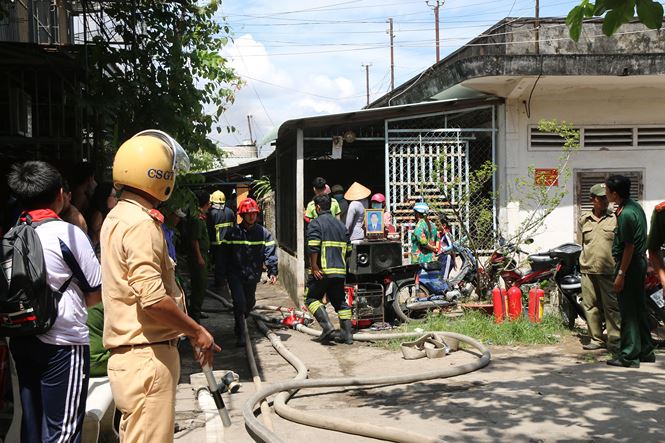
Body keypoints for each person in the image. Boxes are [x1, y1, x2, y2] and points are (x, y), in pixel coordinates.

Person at [101, 129, 219, 443]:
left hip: (134, 358)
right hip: (147, 359)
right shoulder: (141, 224)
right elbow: (152, 299)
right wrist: (197, 330)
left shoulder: (118, 217)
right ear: (158, 176)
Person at [7, 161, 102, 443]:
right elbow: (95, 293)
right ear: (60, 194)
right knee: (62, 432)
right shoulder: (69, 234)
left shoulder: (12, 234)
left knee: (32, 427)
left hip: (22, 338)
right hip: (63, 344)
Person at [605, 175, 654, 367]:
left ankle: (629, 355)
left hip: (630, 264)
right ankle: (645, 350)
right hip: (638, 263)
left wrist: (620, 274)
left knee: (628, 312)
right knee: (639, 309)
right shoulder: (634, 207)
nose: (606, 193)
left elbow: (628, 247)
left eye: (607, 190)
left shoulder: (626, 214)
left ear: (614, 193)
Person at [221, 198, 278, 347]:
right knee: (239, 303)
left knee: (249, 303)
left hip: (253, 274)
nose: (252, 216)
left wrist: (273, 270)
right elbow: (223, 255)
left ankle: (240, 320)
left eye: (254, 213)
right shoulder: (232, 233)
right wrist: (220, 274)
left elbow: (270, 253)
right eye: (248, 214)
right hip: (235, 274)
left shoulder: (263, 233)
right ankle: (241, 334)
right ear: (242, 215)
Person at [577, 183, 621, 352]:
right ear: (592, 200)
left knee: (612, 307)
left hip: (608, 270)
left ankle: (615, 341)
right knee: (589, 306)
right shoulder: (584, 220)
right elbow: (582, 243)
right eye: (601, 198)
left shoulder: (615, 218)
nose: (605, 201)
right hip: (587, 269)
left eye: (606, 198)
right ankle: (596, 339)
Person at [305, 194, 353, 344]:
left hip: (322, 271)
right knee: (340, 302)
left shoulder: (316, 223)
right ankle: (347, 335)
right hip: (339, 271)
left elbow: (313, 245)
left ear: (317, 207)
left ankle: (327, 327)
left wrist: (314, 266)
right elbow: (349, 249)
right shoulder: (341, 225)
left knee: (311, 298)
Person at [186, 190, 212, 323]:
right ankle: (194, 316)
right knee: (199, 286)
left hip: (202, 255)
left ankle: (196, 311)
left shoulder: (200, 217)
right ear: (206, 204)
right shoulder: (197, 219)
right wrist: (199, 257)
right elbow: (194, 240)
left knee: (202, 285)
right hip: (199, 256)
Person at [208, 189, 235, 290]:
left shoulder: (212, 214)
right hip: (230, 244)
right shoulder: (230, 212)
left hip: (217, 245)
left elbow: (209, 230)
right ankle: (228, 282)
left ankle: (219, 285)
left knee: (219, 265)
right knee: (229, 264)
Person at [87, 182, 118, 249]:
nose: (116, 199)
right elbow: (99, 236)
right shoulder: (98, 215)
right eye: (114, 196)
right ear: (106, 197)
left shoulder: (102, 212)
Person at [436, 215, 456, 280]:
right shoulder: (442, 234)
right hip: (442, 257)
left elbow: (452, 246)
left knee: (443, 279)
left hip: (447, 257)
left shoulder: (447, 234)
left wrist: (442, 250)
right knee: (440, 277)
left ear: (444, 225)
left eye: (438, 225)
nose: (436, 227)